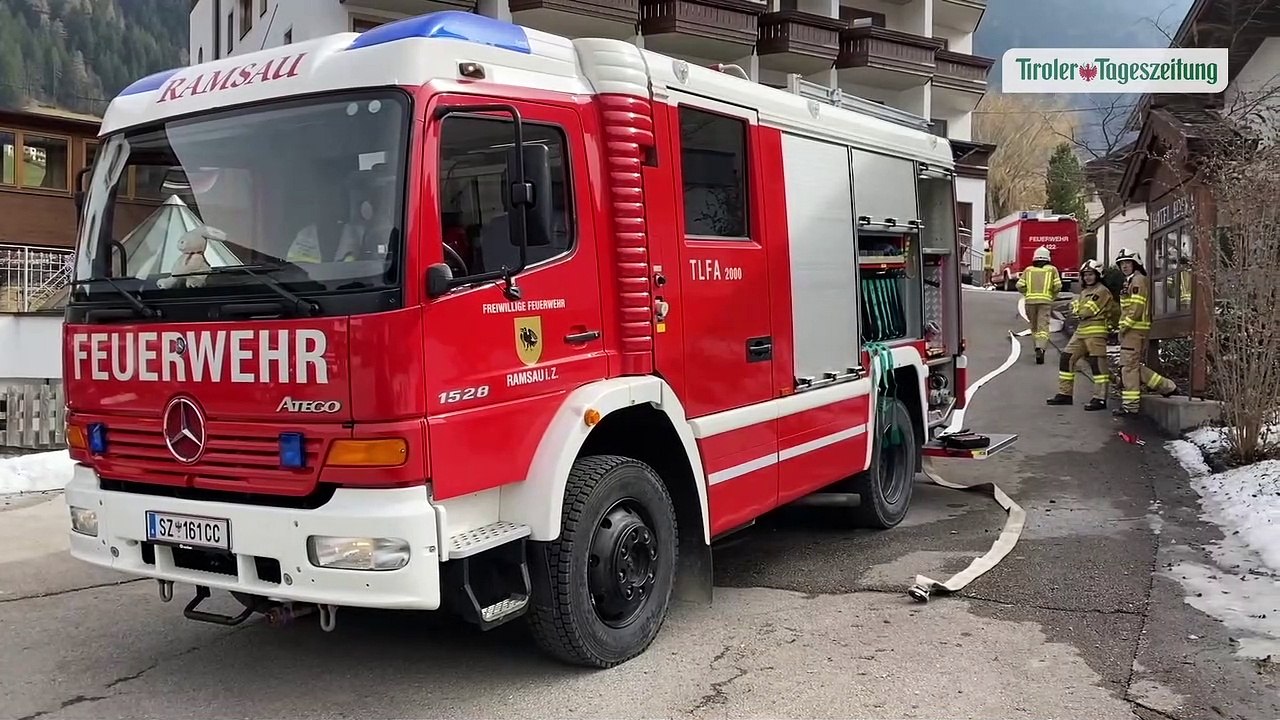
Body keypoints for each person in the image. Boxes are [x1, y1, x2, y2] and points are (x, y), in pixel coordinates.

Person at [1113, 248, 1178, 416]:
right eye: (1122, 263)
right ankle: (1166, 386)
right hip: (1135, 330)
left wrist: (1124, 327)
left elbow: (1136, 308)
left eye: (1128, 263)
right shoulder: (1132, 280)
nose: (1124, 266)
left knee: (1128, 368)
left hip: (1134, 330)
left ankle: (1131, 406)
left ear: (1135, 264)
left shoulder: (1137, 281)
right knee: (1132, 366)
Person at [1046, 260, 1113, 410]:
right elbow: (1074, 308)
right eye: (1085, 275)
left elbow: (1086, 311)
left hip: (1096, 332)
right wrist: (1078, 309)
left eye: (1091, 274)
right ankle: (1065, 394)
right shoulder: (1084, 292)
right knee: (1066, 358)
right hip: (1081, 331)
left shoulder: (1102, 291)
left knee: (1097, 365)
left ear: (1098, 275)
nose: (1088, 278)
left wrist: (1078, 309)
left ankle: (1100, 398)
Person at [1016, 245, 1062, 364]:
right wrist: (1052, 296)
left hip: (1030, 303)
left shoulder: (1028, 270)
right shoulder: (1052, 270)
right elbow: (1058, 286)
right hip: (1045, 302)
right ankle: (1040, 347)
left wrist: (1027, 294)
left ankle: (1036, 346)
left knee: (1034, 327)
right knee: (1043, 327)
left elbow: (1019, 285)